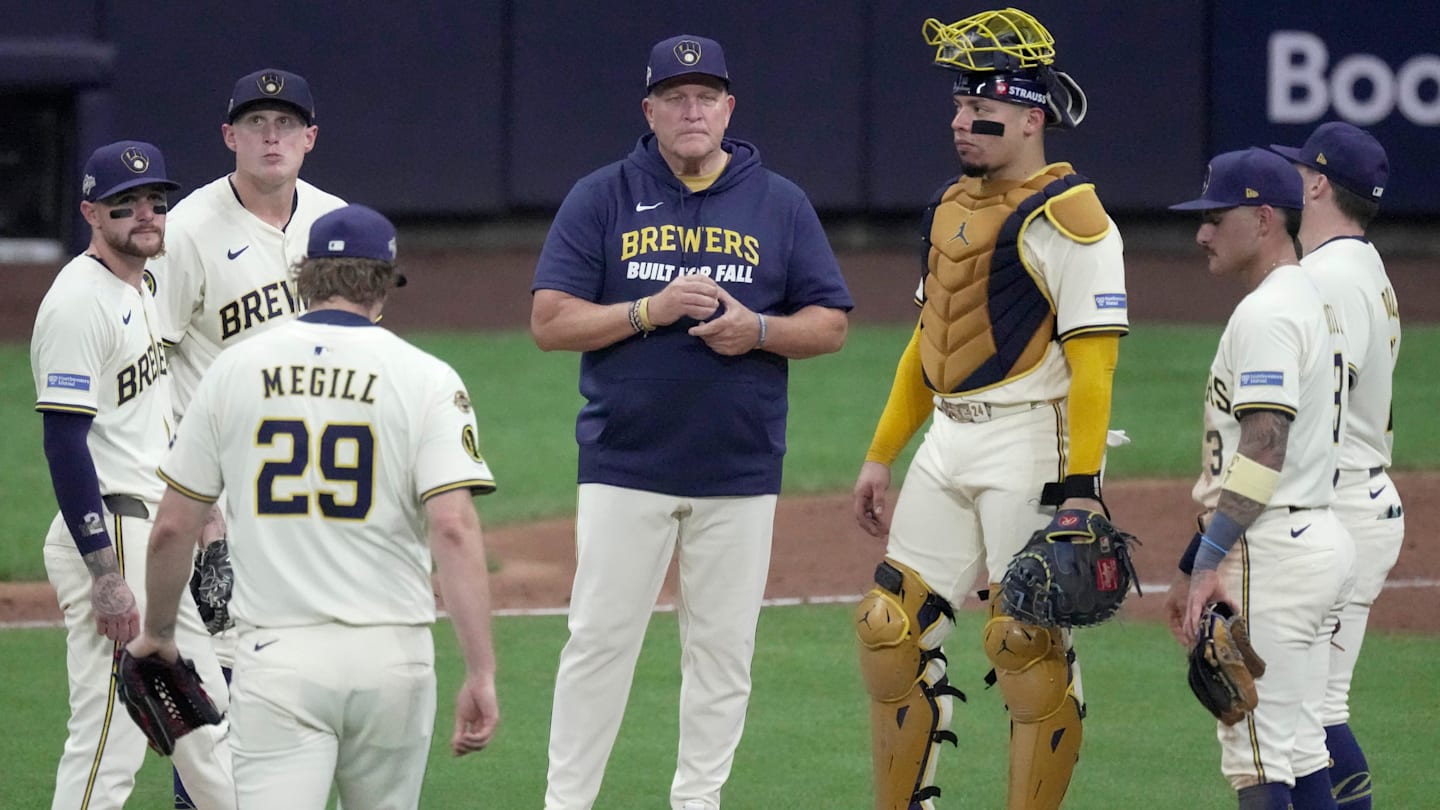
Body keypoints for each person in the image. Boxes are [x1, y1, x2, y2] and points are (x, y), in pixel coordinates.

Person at [530, 33, 853, 810]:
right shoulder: (601, 195)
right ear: (650, 110)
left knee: (722, 655)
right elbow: (549, 321)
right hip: (624, 463)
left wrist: (760, 331)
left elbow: (831, 322)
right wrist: (650, 310)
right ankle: (566, 804)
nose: (691, 109)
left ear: (729, 107)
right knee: (598, 645)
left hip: (739, 469)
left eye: (705, 96)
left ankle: (698, 802)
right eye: (675, 97)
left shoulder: (779, 201)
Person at [126, 204, 501, 810]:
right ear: (384, 286)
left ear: (304, 279)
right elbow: (453, 527)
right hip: (394, 658)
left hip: (278, 660)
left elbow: (172, 526)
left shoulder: (234, 370)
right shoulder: (427, 378)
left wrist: (161, 635)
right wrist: (481, 672)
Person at [850, 9, 1125, 809]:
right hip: (947, 442)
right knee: (885, 630)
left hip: (1029, 446)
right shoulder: (949, 206)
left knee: (1024, 644)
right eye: (960, 107)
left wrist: (1081, 489)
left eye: (983, 110)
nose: (962, 122)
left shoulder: (1072, 218)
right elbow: (925, 342)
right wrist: (881, 452)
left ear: (1032, 117)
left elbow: (1095, 363)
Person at [151, 69, 345, 807]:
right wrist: (194, 500)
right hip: (223, 497)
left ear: (310, 138)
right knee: (216, 678)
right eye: (257, 123)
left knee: (307, 668)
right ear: (229, 136)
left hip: (315, 494)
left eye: (287, 123)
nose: (273, 136)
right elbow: (153, 362)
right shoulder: (189, 230)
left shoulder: (335, 221)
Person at [30, 140, 236, 809]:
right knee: (109, 737)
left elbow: (150, 419)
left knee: (208, 722)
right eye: (126, 205)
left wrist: (201, 507)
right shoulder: (76, 305)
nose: (146, 215)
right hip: (115, 535)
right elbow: (64, 443)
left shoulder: (141, 284)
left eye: (155, 202)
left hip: (155, 531)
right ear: (92, 213)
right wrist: (104, 573)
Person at [1163, 147, 1356, 809]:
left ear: (1265, 218)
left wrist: (1211, 557)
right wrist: (1196, 559)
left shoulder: (1269, 313)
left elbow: (1264, 447)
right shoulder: (1309, 298)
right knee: (1299, 751)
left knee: (1257, 759)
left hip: (1269, 551)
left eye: (1217, 217)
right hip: (1314, 538)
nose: (1202, 234)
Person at [1268, 122, 1402, 809]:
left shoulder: (1325, 278)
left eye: (1299, 172)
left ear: (1319, 184)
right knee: (1314, 709)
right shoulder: (1365, 266)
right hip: (1361, 499)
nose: (1293, 180)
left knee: (1305, 715)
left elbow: (1318, 403)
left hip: (1339, 505)